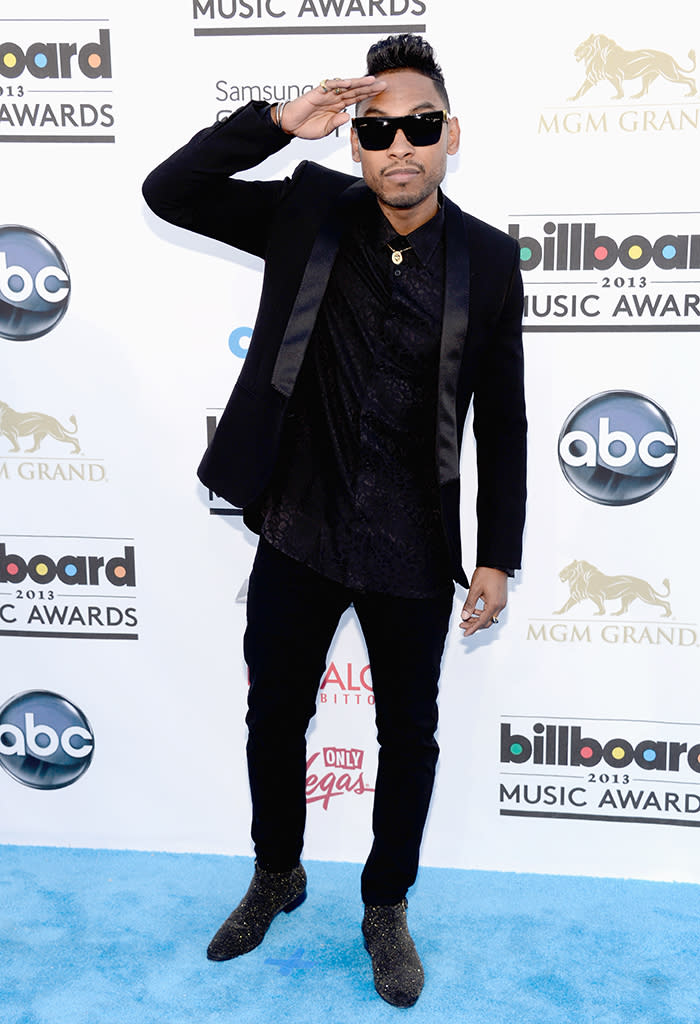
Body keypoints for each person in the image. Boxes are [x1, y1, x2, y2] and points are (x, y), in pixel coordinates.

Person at [142, 34, 526, 1008]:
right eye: (377, 128)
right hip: (300, 522)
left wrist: (498, 555)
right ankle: (278, 872)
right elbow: (168, 191)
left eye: (419, 126)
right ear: (355, 140)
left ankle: (384, 903)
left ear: (450, 135)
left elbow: (506, 416)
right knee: (275, 709)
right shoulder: (308, 207)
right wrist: (275, 123)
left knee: (411, 731)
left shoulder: (486, 259)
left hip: (409, 540)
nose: (400, 145)